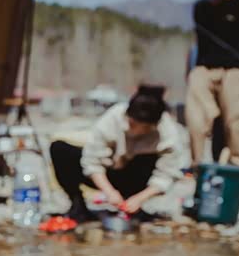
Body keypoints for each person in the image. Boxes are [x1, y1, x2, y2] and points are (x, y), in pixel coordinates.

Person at [49, 85, 184, 223]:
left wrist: (140, 198)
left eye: (142, 127)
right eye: (131, 124)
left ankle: (134, 208)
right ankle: (78, 205)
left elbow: (167, 174)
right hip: (109, 173)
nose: (135, 130)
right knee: (60, 149)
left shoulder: (167, 132)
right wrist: (109, 192)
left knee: (147, 160)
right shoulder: (114, 117)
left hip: (137, 178)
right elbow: (92, 161)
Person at [186, 0, 239, 167]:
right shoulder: (202, 8)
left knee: (237, 120)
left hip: (233, 70)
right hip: (204, 69)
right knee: (196, 119)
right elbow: (206, 18)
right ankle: (197, 165)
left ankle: (237, 165)